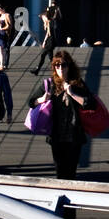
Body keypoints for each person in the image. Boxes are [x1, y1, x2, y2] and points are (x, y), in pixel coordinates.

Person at [27, 49, 90, 180]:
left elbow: (90, 103)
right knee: (60, 172)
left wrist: (72, 93)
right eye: (57, 65)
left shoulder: (77, 83)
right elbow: (31, 102)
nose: (60, 68)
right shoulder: (49, 84)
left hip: (74, 135)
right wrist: (42, 99)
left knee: (71, 172)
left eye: (64, 65)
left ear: (69, 66)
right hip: (56, 135)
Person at [33, 0, 62, 75]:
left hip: (50, 41)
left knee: (43, 55)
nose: (42, 19)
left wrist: (44, 42)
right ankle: (55, 71)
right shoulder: (47, 23)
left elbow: (48, 34)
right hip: (50, 41)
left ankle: (37, 69)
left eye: (43, 18)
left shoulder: (49, 23)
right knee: (51, 58)